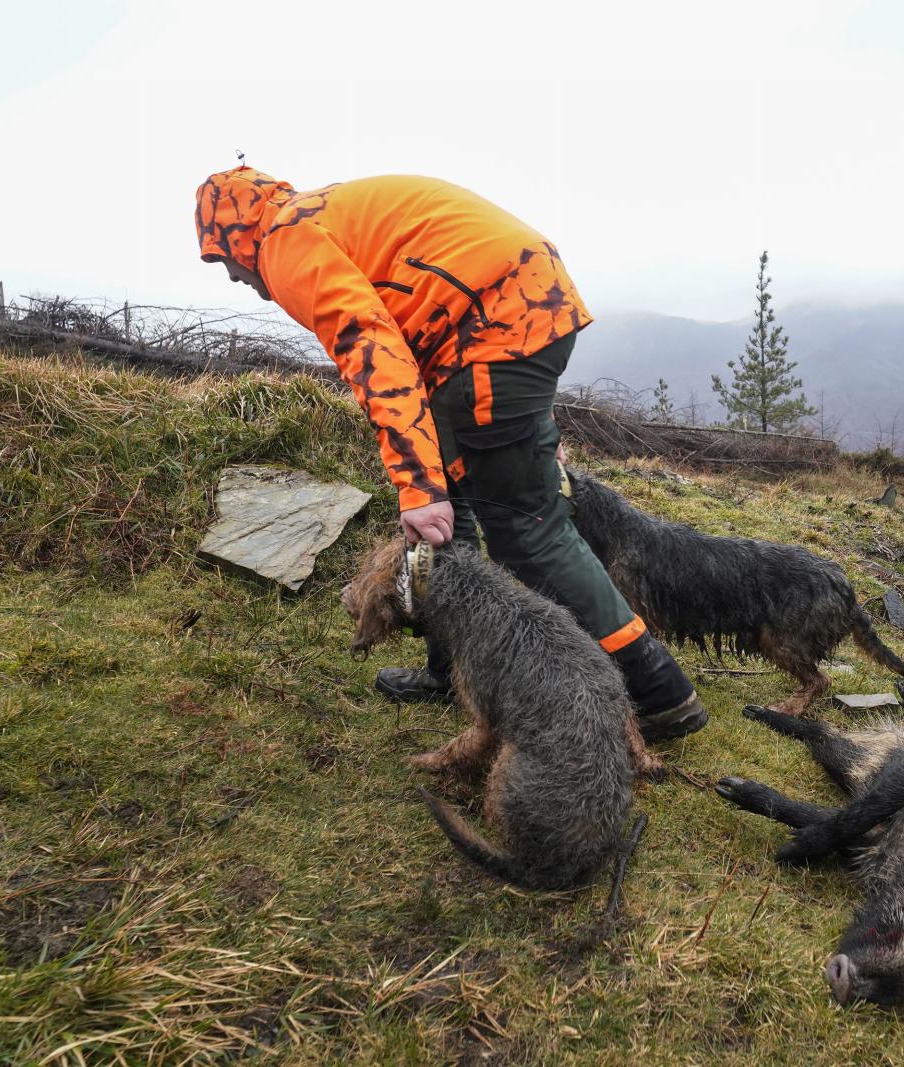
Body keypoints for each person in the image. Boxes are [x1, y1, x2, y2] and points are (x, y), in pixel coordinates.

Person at [195, 166, 706, 740]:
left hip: (491, 330)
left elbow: (374, 353)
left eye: (223, 261)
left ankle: (654, 691)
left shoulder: (285, 241)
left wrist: (416, 487)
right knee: (455, 509)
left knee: (529, 530)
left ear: (234, 235)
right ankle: (454, 665)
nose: (236, 278)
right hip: (516, 314)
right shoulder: (320, 214)